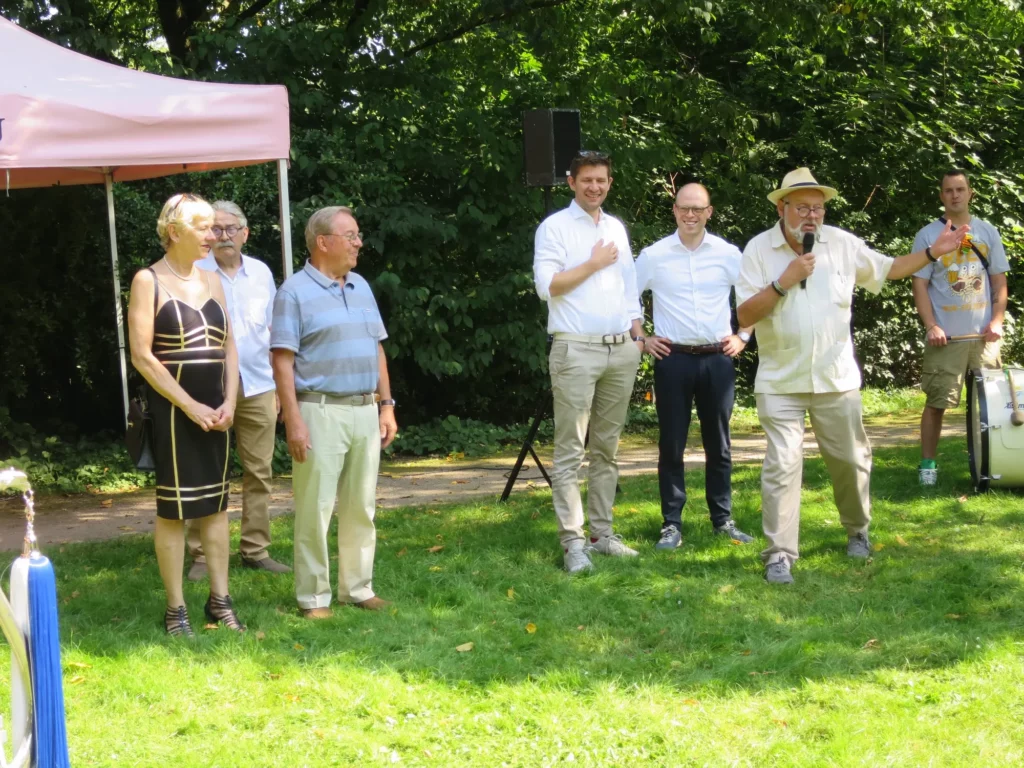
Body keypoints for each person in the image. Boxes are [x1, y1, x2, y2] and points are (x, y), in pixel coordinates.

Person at [736, 168, 967, 585]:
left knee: (849, 461)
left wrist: (933, 253)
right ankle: (779, 555)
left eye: (818, 207)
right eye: (802, 207)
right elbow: (745, 315)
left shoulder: (842, 244)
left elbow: (890, 268)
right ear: (781, 206)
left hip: (836, 377)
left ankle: (857, 529)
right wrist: (784, 282)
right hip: (780, 380)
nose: (811, 215)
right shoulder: (757, 250)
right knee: (782, 465)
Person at [271, 206, 398, 619]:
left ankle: (358, 588)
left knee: (362, 505)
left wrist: (386, 405)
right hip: (319, 411)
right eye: (351, 235)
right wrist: (293, 419)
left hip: (364, 409)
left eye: (358, 235)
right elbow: (282, 362)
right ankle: (314, 598)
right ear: (323, 242)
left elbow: (376, 348)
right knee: (315, 508)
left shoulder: (360, 285)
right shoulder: (293, 292)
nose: (359, 242)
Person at [127, 193, 245, 634]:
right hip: (175, 413)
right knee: (174, 512)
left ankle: (220, 600)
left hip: (218, 411)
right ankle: (176, 608)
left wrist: (229, 402)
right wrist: (190, 405)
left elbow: (229, 345)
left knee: (216, 508)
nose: (214, 235)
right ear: (174, 231)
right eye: (204, 227)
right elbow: (142, 356)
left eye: (216, 227)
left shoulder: (213, 280)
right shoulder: (147, 280)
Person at [533, 150, 645, 574]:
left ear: (609, 183)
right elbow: (549, 287)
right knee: (569, 452)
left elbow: (629, 285)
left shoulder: (615, 226)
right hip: (575, 349)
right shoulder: (555, 228)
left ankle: (602, 535)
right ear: (571, 183)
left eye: (601, 180)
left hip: (621, 350)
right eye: (587, 180)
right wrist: (593, 263)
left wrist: (637, 335)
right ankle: (572, 542)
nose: (594, 187)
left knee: (607, 450)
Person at [635, 183, 755, 551]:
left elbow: (754, 295)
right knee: (671, 444)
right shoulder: (654, 255)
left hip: (718, 358)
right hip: (673, 360)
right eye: (683, 208)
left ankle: (723, 519)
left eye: (697, 209)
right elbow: (626, 297)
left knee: (718, 444)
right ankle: (671, 524)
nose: (690, 215)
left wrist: (744, 335)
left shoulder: (727, 253)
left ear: (709, 212)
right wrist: (641, 339)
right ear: (673, 210)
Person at [186, 200, 291, 579]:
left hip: (260, 384)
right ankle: (201, 554)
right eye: (218, 229)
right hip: (210, 388)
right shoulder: (194, 271)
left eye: (233, 229)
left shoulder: (262, 273)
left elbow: (276, 332)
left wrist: (281, 387)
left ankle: (255, 549)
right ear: (208, 235)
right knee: (209, 470)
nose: (225, 236)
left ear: (246, 234)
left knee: (260, 472)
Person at [912, 170, 1009, 486]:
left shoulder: (988, 231)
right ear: (941, 196)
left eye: (960, 189)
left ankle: (994, 464)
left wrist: (996, 321)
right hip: (946, 339)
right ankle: (928, 466)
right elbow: (920, 285)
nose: (954, 195)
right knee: (937, 403)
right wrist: (931, 326)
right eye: (948, 190)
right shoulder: (928, 235)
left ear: (970, 193)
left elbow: (999, 282)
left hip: (984, 338)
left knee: (990, 407)